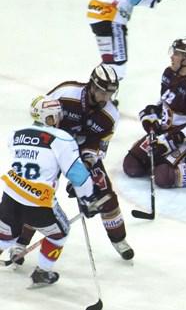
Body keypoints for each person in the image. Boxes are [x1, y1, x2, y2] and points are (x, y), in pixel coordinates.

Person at [15, 65, 134, 260]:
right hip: (53, 148)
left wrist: (83, 173)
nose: (106, 98)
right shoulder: (66, 93)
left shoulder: (110, 115)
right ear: (92, 86)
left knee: (105, 194)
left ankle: (119, 239)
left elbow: (99, 145)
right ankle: (20, 242)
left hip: (81, 153)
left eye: (110, 93)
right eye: (103, 92)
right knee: (37, 192)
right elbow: (40, 115)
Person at [0, 96, 105, 286]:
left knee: (6, 236)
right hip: (39, 203)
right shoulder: (62, 138)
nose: (58, 119)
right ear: (48, 117)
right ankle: (42, 272)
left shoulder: (15, 134)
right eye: (56, 115)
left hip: (11, 195)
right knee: (60, 233)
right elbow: (77, 175)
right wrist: (88, 198)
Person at [122, 36, 186, 188]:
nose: (172, 56)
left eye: (177, 54)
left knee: (163, 177)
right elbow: (164, 103)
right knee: (132, 165)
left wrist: (174, 139)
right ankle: (161, 160)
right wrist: (151, 116)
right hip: (165, 133)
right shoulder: (169, 73)